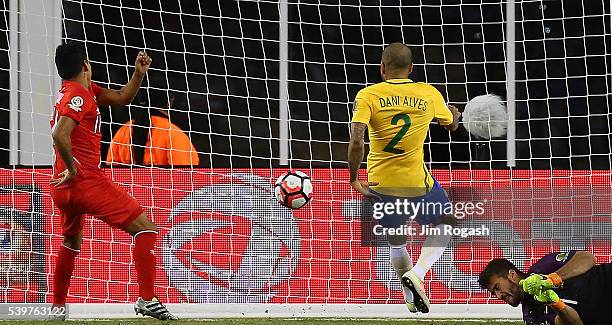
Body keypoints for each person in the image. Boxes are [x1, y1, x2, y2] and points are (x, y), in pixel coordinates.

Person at [49, 43, 176, 320]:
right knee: (146, 229)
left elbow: (121, 98)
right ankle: (147, 298)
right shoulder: (78, 96)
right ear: (85, 64)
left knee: (70, 241)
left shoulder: (80, 91)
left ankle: (56, 306)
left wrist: (138, 74)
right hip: (85, 182)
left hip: (62, 189)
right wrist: (73, 168)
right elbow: (60, 135)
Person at [348, 42, 461, 313]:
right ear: (411, 68)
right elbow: (452, 124)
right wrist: (454, 115)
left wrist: (354, 177)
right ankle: (418, 274)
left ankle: (410, 298)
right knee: (446, 221)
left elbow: (356, 141)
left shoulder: (368, 95)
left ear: (382, 68)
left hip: (380, 184)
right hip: (416, 183)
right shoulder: (427, 93)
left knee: (397, 241)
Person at [479, 251, 612, 325]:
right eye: (494, 293)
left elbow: (587, 258)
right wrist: (556, 304)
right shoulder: (530, 317)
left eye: (497, 287)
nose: (498, 296)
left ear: (512, 275)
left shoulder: (542, 268)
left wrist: (552, 279)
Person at [106, 90, 199, 166]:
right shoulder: (174, 134)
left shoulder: (123, 132)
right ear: (169, 103)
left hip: (127, 189)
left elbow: (111, 176)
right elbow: (184, 180)